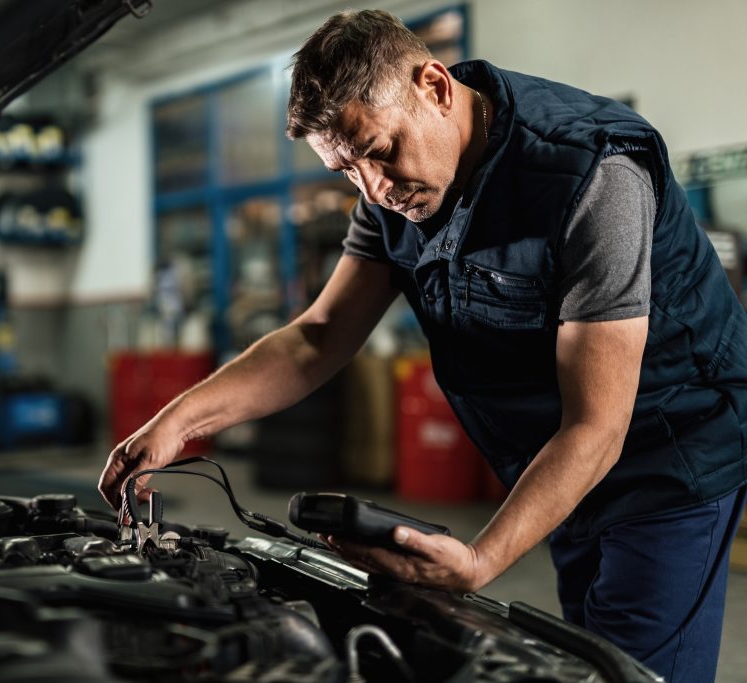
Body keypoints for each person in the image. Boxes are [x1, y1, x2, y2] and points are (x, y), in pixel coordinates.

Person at [99, 10, 747, 681]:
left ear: (435, 86)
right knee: (585, 657)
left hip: (670, 449)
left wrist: (481, 560)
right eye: (345, 170)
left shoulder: (592, 175)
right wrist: (178, 421)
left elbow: (598, 424)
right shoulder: (388, 196)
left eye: (379, 151)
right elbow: (316, 338)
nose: (373, 188)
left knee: (632, 668)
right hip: (558, 458)